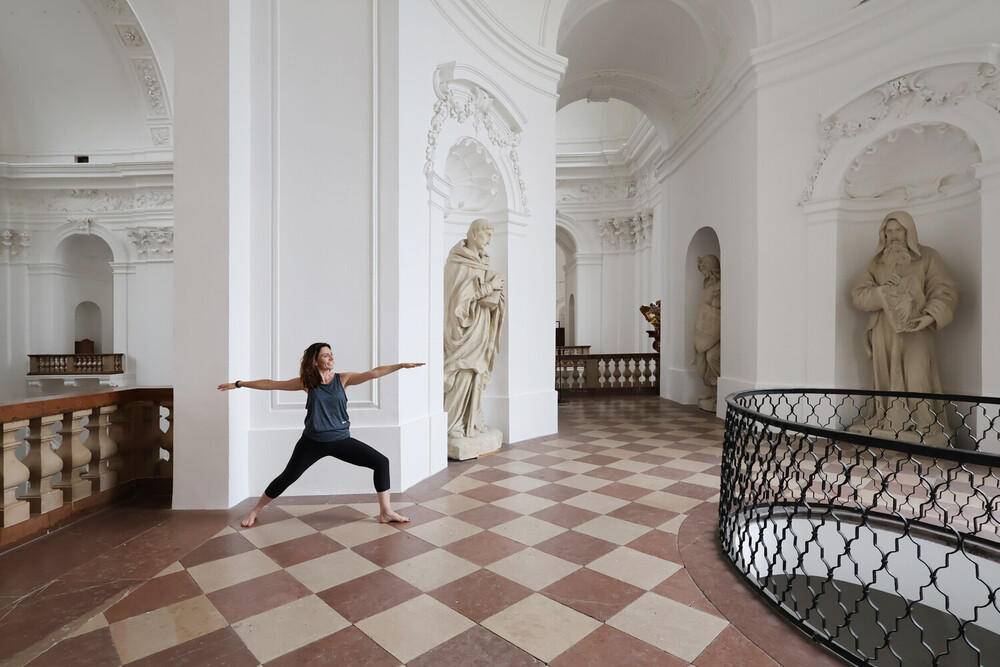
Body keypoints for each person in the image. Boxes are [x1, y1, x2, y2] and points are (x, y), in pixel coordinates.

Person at [218, 343, 424, 527]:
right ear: (315, 361)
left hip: (341, 440)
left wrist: (401, 366)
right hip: (313, 442)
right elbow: (272, 384)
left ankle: (386, 512)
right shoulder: (307, 382)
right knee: (288, 477)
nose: (331, 358)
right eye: (326, 355)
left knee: (381, 462)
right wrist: (239, 384)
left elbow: (375, 372)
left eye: (332, 354)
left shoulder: (343, 379)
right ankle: (255, 510)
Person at [850, 210, 958, 442]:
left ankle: (925, 425)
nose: (894, 235)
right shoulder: (876, 263)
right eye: (889, 231)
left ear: (909, 231)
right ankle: (888, 421)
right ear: (883, 235)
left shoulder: (928, 257)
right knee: (886, 380)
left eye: (899, 230)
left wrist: (930, 315)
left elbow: (944, 291)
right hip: (883, 332)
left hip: (916, 330)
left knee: (918, 375)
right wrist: (881, 292)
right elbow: (858, 295)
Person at [443, 218, 505, 440]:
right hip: (462, 329)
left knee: (477, 373)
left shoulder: (482, 263)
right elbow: (460, 300)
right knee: (463, 372)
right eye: (486, 235)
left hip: (481, 326)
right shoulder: (457, 263)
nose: (489, 241)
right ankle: (453, 425)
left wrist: (497, 294)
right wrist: (490, 287)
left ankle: (473, 421)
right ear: (473, 234)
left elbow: (479, 294)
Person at [693, 255, 721, 412]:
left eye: (704, 268)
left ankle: (718, 393)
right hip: (705, 331)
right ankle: (712, 392)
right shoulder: (706, 284)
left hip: (714, 331)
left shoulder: (719, 284)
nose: (702, 272)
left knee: (712, 358)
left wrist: (717, 302)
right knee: (702, 362)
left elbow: (718, 309)